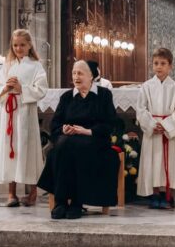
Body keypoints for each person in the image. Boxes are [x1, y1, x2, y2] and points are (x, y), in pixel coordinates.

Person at [37, 60, 122, 220]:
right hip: (68, 141)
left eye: (80, 73)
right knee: (62, 147)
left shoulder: (103, 95)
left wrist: (88, 131)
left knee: (72, 148)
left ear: (91, 76)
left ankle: (75, 202)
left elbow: (111, 123)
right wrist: (63, 129)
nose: (76, 77)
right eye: (74, 73)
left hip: (94, 139)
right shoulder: (67, 97)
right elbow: (55, 124)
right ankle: (62, 203)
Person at [0, 29, 48, 207]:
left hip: (25, 112)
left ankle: (32, 192)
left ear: (30, 45)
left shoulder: (36, 66)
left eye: (22, 45)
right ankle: (11, 192)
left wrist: (22, 88)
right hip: (9, 111)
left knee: (26, 149)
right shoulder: (7, 65)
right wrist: (5, 89)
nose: (18, 48)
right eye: (15, 45)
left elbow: (41, 89)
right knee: (10, 148)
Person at [135, 47, 175, 209]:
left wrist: (167, 125)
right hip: (153, 130)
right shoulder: (146, 86)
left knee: (167, 163)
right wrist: (150, 124)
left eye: (163, 63)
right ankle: (154, 194)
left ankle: (166, 194)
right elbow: (141, 109)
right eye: (156, 63)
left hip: (168, 131)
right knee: (153, 162)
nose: (159, 67)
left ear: (170, 66)